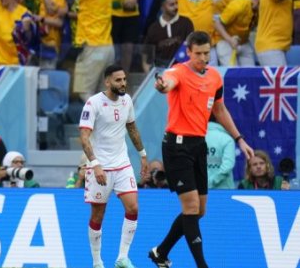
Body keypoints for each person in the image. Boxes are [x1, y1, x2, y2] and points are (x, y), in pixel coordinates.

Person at [150, 31, 255, 268]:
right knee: (190, 207)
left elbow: (219, 110)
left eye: (207, 53)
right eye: (198, 53)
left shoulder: (215, 77)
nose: (203, 58)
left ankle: (160, 252)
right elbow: (167, 82)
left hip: (199, 145)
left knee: (199, 211)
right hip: (176, 147)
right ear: (188, 52)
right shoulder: (178, 71)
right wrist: (162, 85)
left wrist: (239, 139)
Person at [79, 65, 149, 268]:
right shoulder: (93, 103)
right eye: (118, 80)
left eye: (124, 79)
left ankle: (122, 258)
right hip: (99, 167)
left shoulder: (127, 101)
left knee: (133, 207)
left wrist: (143, 155)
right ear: (107, 82)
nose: (123, 83)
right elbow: (84, 137)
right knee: (98, 215)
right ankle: (97, 262)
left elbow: (132, 128)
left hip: (122, 164)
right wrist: (95, 164)